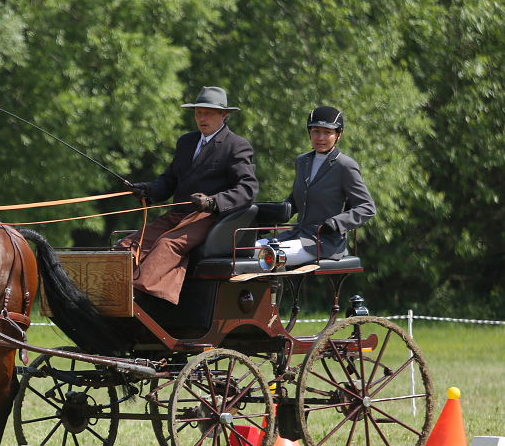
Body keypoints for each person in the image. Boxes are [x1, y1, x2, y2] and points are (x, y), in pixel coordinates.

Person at [117, 86, 258, 305]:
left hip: (208, 218)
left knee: (167, 245)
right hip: (176, 215)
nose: (202, 117)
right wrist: (148, 189)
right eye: (198, 112)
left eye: (208, 113)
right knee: (127, 246)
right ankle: (111, 293)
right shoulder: (186, 142)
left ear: (223, 115)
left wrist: (213, 202)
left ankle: (141, 302)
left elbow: (248, 188)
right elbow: (170, 180)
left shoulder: (236, 146)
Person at [256, 106, 375, 266]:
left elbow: (367, 207)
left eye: (327, 132)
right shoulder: (302, 161)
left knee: (267, 255)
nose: (320, 137)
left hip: (324, 242)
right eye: (315, 131)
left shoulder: (345, 166)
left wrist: (336, 223)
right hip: (297, 235)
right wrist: (271, 219)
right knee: (247, 249)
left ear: (338, 135)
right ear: (309, 133)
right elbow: (296, 200)